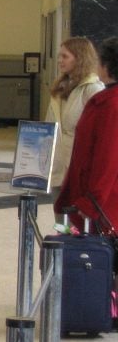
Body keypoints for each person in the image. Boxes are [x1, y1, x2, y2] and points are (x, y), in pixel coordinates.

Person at [55, 36, 118, 229]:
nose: (60, 60)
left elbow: (107, 157)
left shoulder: (107, 104)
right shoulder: (102, 99)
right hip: (72, 175)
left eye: (65, 56)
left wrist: (92, 202)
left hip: (102, 204)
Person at [45, 37, 103, 185]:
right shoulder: (60, 88)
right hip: (57, 165)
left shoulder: (92, 89)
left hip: (79, 166)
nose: (59, 60)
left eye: (65, 56)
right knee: (59, 207)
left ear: (80, 59)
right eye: (59, 56)